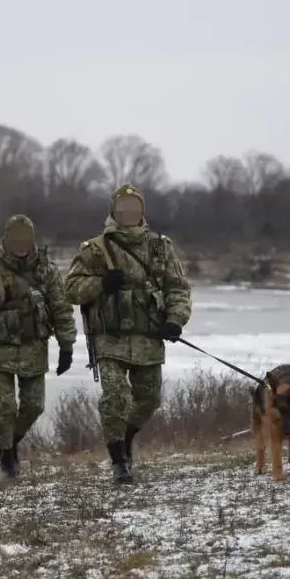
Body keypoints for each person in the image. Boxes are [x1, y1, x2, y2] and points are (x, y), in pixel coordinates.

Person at [64, 183, 193, 483]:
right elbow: (70, 289)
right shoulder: (94, 250)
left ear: (143, 212)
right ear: (113, 212)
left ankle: (124, 438)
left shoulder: (161, 247)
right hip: (110, 337)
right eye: (123, 209)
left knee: (149, 400)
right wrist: (100, 284)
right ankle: (119, 461)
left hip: (149, 335)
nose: (129, 214)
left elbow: (178, 288)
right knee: (116, 397)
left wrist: (175, 320)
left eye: (135, 209)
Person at [0, 214, 76, 478]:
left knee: (34, 406)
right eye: (16, 239)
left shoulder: (47, 271)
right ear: (6, 239)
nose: (21, 245)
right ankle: (7, 459)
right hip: (0, 350)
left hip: (34, 349)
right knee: (5, 407)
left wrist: (67, 346)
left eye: (26, 239)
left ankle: (10, 444)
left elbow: (62, 308)